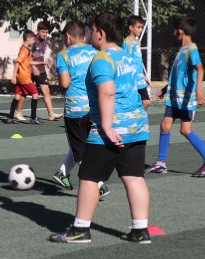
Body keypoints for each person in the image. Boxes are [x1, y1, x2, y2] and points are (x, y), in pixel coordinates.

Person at [49, 13, 152, 245]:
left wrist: (105, 124)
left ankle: (80, 230)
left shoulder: (102, 58)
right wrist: (91, 115)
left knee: (88, 177)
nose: (90, 34)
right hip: (136, 126)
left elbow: (107, 91)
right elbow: (136, 90)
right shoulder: (127, 57)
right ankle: (140, 230)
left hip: (111, 129)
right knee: (134, 177)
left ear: (101, 33)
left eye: (93, 29)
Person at [149, 17, 205, 177]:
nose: (173, 33)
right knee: (165, 126)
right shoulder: (182, 50)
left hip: (186, 99)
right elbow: (179, 75)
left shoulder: (192, 49)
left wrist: (198, 91)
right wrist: (166, 88)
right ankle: (161, 163)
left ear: (180, 30)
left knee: (186, 130)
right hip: (174, 98)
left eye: (174, 30)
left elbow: (200, 69)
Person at [50, 20, 107, 202]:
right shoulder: (95, 52)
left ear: (67, 37)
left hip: (74, 109)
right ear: (84, 36)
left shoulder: (64, 55)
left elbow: (65, 83)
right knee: (83, 144)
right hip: (93, 107)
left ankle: (97, 184)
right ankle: (62, 172)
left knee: (80, 147)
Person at [7, 30, 39, 124]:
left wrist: (41, 63)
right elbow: (17, 62)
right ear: (28, 39)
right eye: (33, 39)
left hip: (22, 77)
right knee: (35, 94)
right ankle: (33, 118)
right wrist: (13, 77)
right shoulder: (24, 50)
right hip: (24, 77)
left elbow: (29, 62)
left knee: (17, 96)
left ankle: (10, 117)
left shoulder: (26, 49)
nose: (34, 41)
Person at [31, 20, 58, 123]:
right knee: (23, 93)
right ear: (37, 31)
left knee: (46, 91)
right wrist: (33, 68)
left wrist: (42, 62)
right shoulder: (32, 40)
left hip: (41, 69)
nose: (45, 34)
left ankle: (51, 114)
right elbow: (28, 55)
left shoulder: (45, 40)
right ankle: (16, 112)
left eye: (46, 32)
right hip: (30, 70)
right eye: (43, 32)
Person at [124, 15, 152, 110]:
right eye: (138, 27)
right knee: (144, 102)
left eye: (142, 27)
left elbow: (137, 62)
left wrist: (143, 76)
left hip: (139, 79)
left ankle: (137, 116)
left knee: (146, 102)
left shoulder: (136, 42)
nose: (140, 30)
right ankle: (136, 117)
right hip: (132, 79)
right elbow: (126, 61)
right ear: (131, 28)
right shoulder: (127, 42)